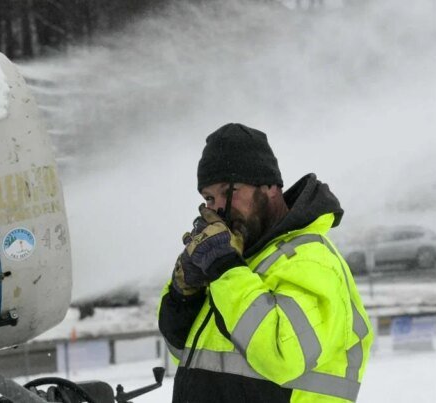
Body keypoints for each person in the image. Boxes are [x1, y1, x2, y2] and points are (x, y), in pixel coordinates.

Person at [158, 123, 373, 403]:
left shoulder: (309, 259)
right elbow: (187, 353)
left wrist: (223, 267)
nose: (218, 209)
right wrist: (184, 294)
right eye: (209, 198)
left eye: (228, 191)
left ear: (269, 186)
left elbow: (282, 355)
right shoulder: (240, 263)